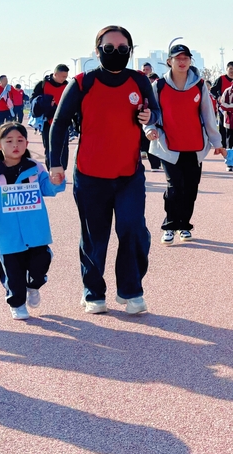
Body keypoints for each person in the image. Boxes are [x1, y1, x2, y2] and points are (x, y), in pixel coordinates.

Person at [50, 25, 159, 315]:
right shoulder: (82, 82)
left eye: (122, 49)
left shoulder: (139, 81)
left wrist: (150, 117)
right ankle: (93, 292)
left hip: (129, 174)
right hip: (90, 175)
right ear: (98, 50)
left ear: (130, 51)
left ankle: (131, 290)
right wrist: (55, 162)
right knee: (94, 237)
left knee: (134, 229)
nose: (116, 53)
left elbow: (154, 111)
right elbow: (59, 123)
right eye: (109, 48)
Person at [0, 122, 66, 320]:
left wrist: (56, 182)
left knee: (41, 262)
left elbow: (48, 189)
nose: (15, 145)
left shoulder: (35, 168)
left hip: (36, 232)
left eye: (20, 140)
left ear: (27, 143)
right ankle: (17, 303)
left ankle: (33, 286)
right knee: (13, 273)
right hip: (8, 235)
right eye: (9, 141)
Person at [145, 44, 224, 244]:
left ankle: (184, 224)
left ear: (190, 61)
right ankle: (170, 225)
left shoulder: (199, 86)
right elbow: (151, 113)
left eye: (185, 58)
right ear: (169, 61)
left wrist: (217, 142)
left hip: (195, 146)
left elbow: (208, 115)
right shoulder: (159, 86)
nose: (182, 62)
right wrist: (150, 129)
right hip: (168, 145)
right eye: (177, 58)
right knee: (174, 186)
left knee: (190, 188)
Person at [30, 64, 70, 169]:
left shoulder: (68, 86)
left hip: (63, 121)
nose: (64, 79)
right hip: (47, 122)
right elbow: (33, 101)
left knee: (64, 147)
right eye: (62, 76)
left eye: (66, 77)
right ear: (55, 74)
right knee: (49, 147)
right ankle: (51, 170)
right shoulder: (42, 85)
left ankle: (62, 170)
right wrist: (45, 102)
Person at [210, 61, 233, 143]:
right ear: (227, 69)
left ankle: (232, 145)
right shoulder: (221, 79)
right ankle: (223, 145)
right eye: (230, 69)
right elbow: (212, 90)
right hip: (223, 107)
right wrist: (218, 97)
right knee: (223, 127)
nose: (232, 71)